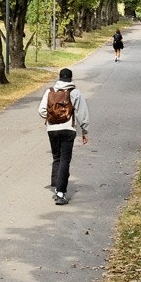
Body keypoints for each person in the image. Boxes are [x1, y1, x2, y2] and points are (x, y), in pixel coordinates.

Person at [39, 67, 89, 205]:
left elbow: (42, 110)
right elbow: (82, 114)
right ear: (71, 79)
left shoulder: (50, 91)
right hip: (68, 130)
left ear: (59, 78)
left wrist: (52, 118)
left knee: (57, 158)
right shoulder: (75, 92)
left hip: (52, 130)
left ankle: (56, 187)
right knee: (65, 160)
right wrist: (84, 131)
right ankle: (61, 193)